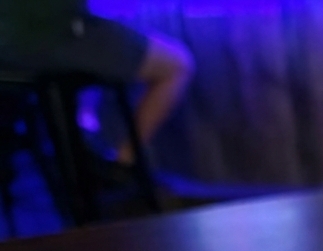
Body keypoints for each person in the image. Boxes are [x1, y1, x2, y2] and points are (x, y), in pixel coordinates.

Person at [0, 1, 193, 167]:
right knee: (178, 63)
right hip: (50, 36)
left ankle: (86, 138)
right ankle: (121, 163)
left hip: (16, 46)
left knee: (97, 53)